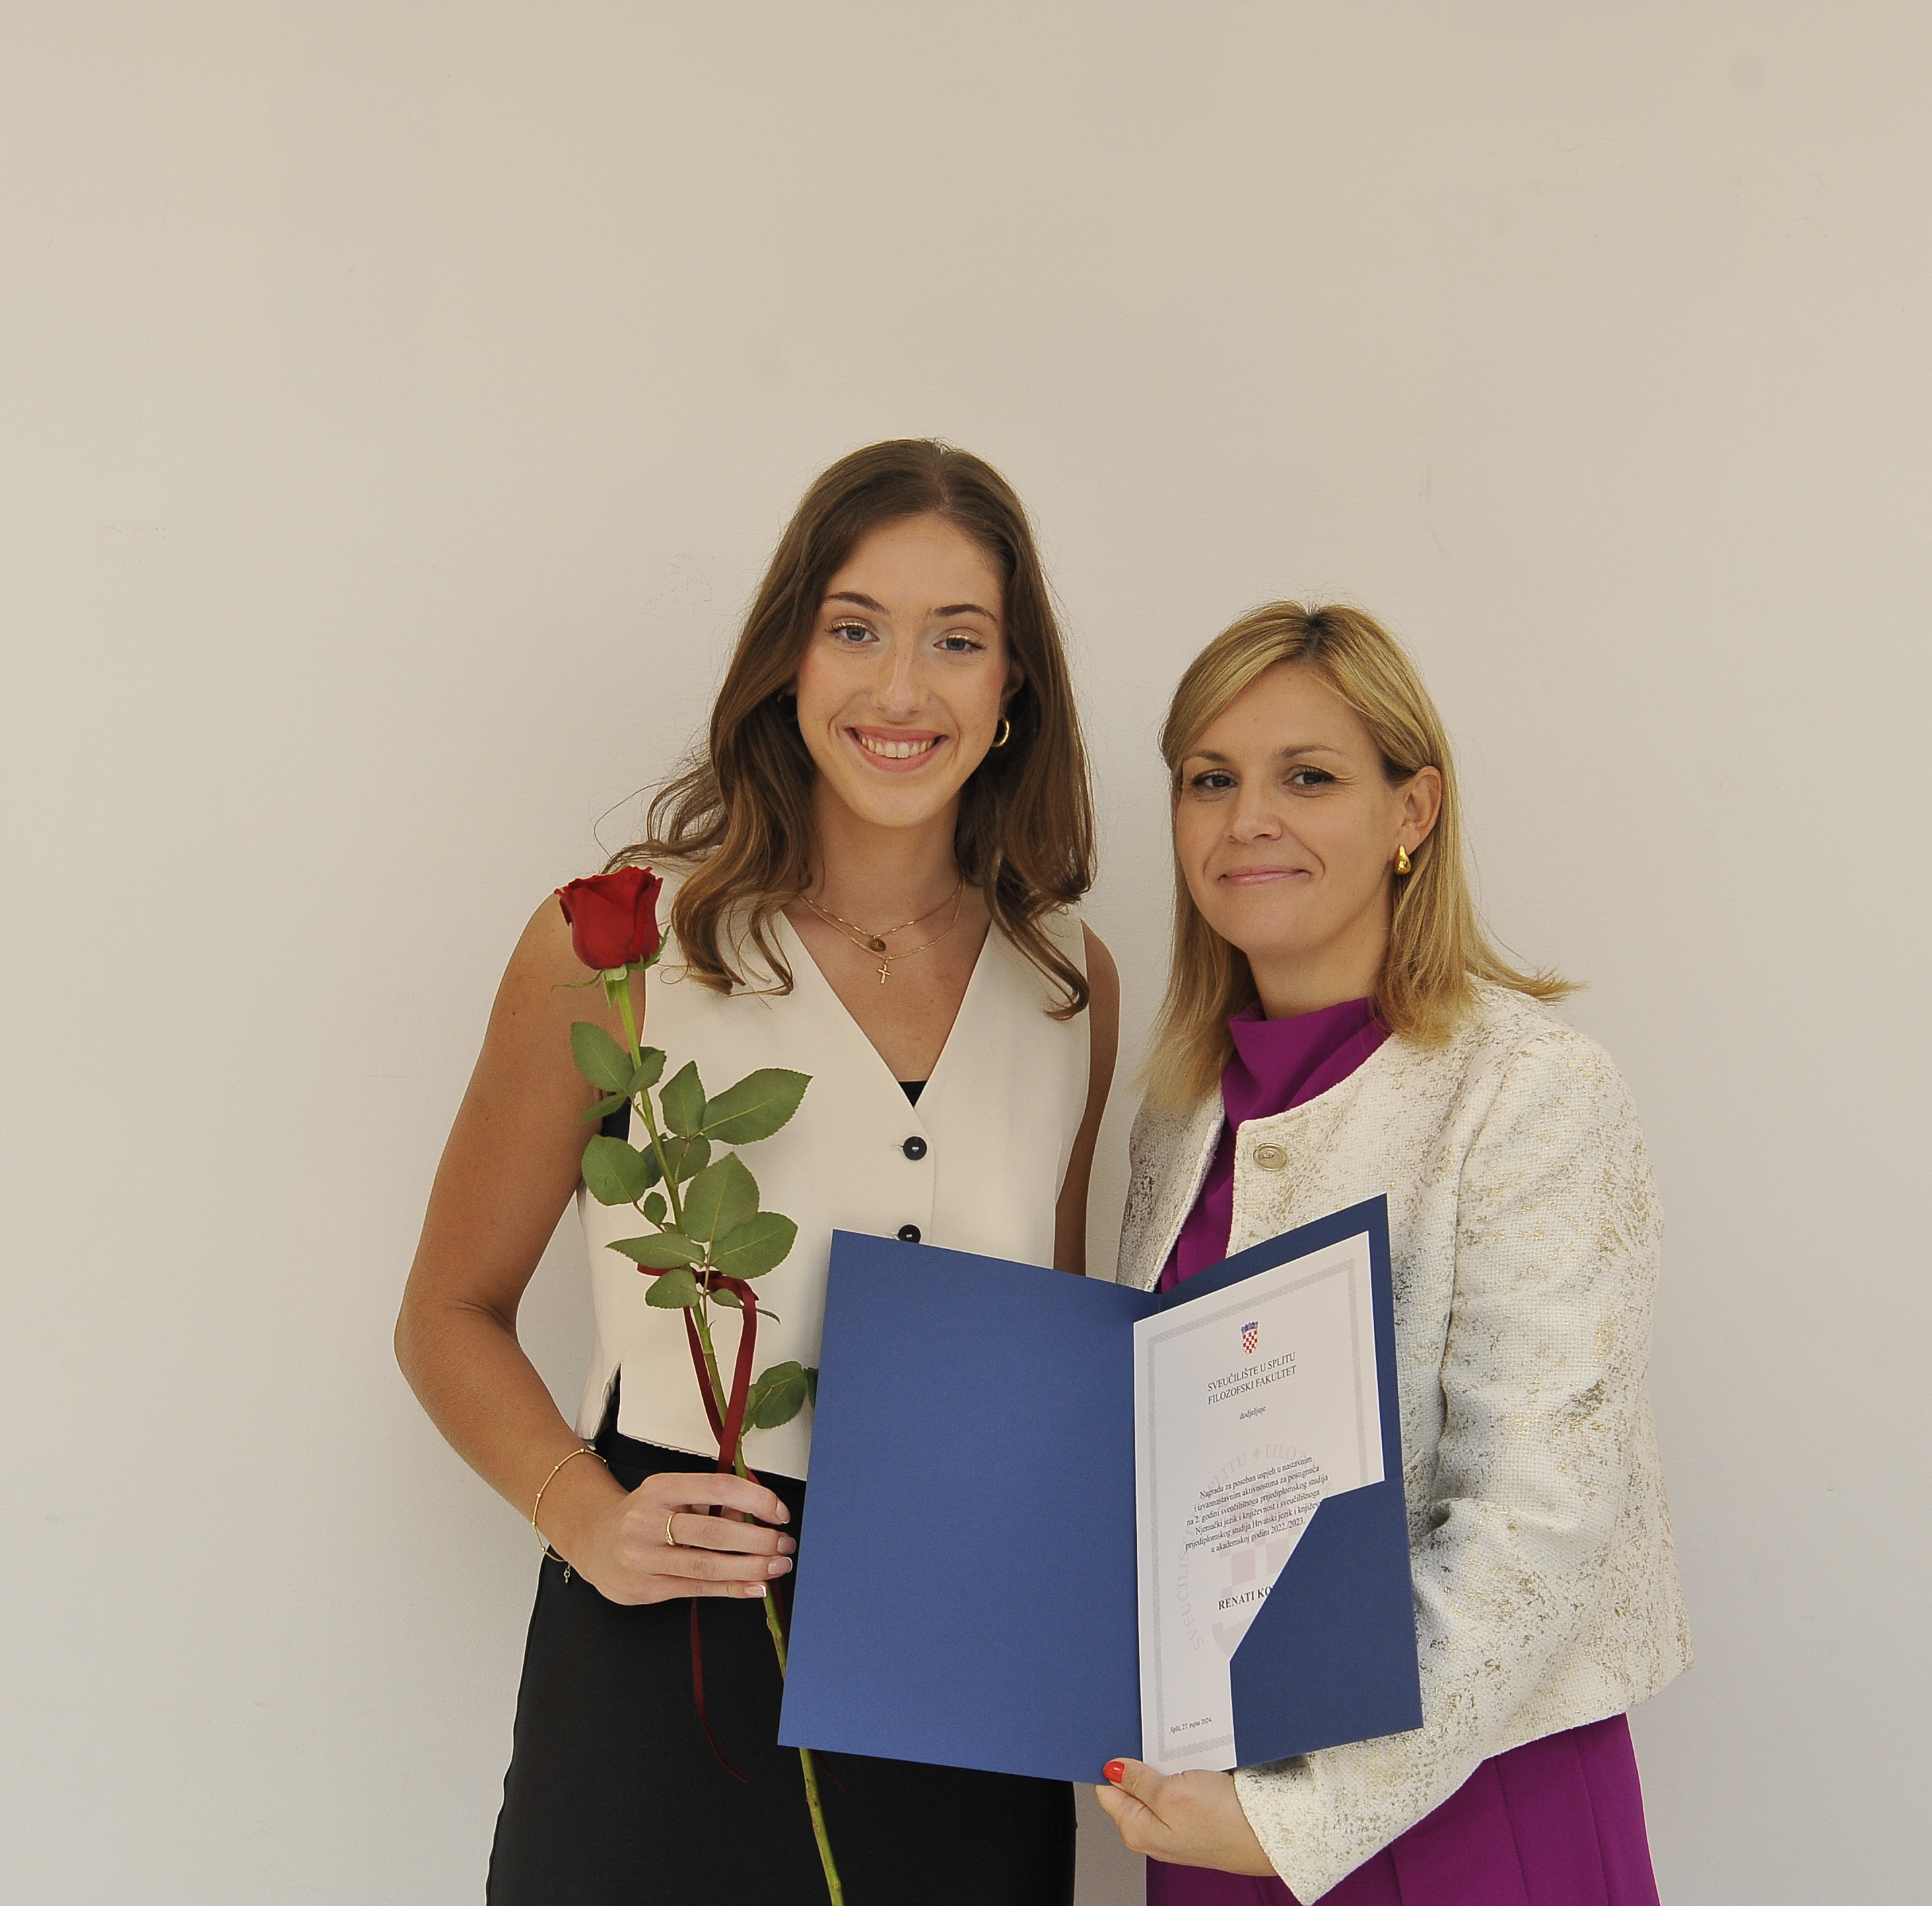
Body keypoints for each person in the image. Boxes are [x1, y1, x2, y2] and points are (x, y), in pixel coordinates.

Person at [394, 439, 1119, 1906]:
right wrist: (582, 1512)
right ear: (789, 659)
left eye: (956, 639)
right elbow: (447, 1312)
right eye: (855, 628)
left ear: (1014, 688)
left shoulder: (1068, 986)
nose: (901, 689)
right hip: (674, 1653)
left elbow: (1045, 1369)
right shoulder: (619, 948)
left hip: (963, 1681)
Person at [1091, 604, 1690, 1906]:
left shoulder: (1530, 1090)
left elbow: (1540, 1519)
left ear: (1412, 810)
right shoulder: (1179, 1117)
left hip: (1468, 1804)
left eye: (1309, 777)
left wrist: (1304, 1816)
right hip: (1209, 1807)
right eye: (1211, 780)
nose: (1249, 819)